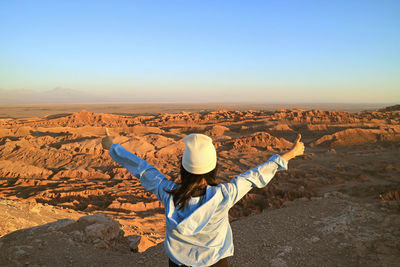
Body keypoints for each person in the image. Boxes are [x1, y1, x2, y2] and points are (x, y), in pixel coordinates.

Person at [102, 130, 305, 267]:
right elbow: (254, 176)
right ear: (213, 169)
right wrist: (289, 154)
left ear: (183, 168)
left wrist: (112, 147)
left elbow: (142, 168)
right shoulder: (224, 195)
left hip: (178, 264)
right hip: (216, 264)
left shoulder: (167, 193)